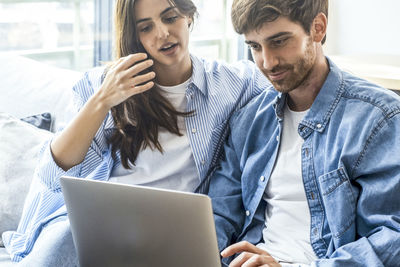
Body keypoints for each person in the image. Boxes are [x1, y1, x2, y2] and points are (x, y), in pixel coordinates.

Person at [2, 0, 271, 265]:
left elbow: (289, 85)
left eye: (169, 17)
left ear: (189, 16)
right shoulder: (102, 85)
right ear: (134, 36)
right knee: (63, 242)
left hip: (170, 233)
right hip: (94, 227)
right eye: (146, 28)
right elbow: (51, 175)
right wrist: (103, 100)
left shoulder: (235, 83)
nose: (162, 33)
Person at [208, 0, 400, 266]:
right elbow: (220, 212)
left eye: (279, 41)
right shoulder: (250, 119)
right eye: (254, 46)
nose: (267, 61)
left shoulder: (378, 118)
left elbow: (391, 238)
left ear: (318, 28)